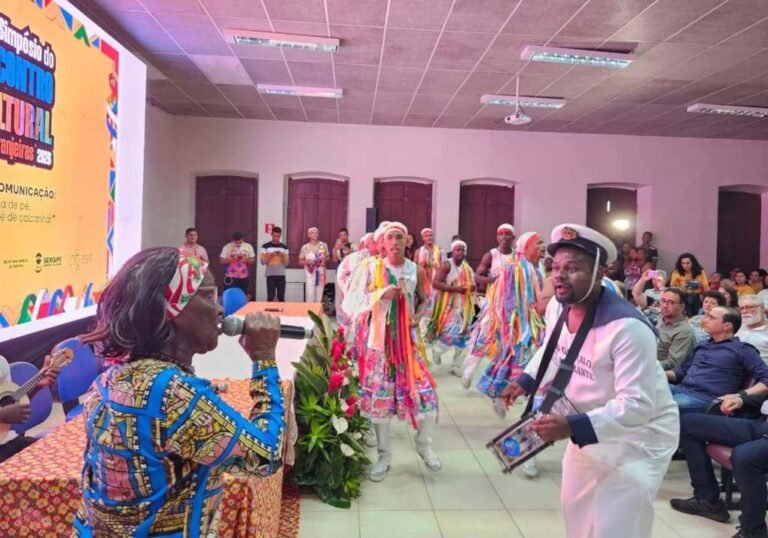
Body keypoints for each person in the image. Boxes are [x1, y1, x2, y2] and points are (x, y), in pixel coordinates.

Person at [73, 249, 284, 536]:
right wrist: (264, 360)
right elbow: (266, 455)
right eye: (208, 296)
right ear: (174, 309)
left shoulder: (108, 381)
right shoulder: (173, 394)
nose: (221, 309)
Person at [502, 223, 679, 538]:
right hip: (589, 423)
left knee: (618, 523)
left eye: (572, 268)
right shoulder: (560, 304)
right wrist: (526, 381)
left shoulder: (628, 328)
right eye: (555, 267)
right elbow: (555, 348)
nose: (559, 275)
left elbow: (637, 405)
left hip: (639, 436)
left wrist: (570, 427)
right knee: (577, 507)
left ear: (600, 273)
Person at [342, 222, 441, 482]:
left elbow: (424, 300)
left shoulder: (415, 270)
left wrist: (417, 317)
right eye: (390, 238)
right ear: (382, 243)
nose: (395, 242)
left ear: (407, 241)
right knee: (380, 404)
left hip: (408, 345)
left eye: (399, 237)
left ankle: (423, 443)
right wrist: (382, 294)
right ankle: (384, 456)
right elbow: (350, 302)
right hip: (379, 346)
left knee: (427, 396)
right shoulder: (371, 268)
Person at [670, 394, 768, 537]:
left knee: (744, 457)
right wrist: (741, 399)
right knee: (688, 424)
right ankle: (707, 500)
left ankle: (753, 531)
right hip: (761, 424)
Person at [477, 231, 546, 419]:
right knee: (517, 360)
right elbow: (506, 302)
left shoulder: (538, 268)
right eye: (539, 243)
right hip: (517, 328)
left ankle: (505, 394)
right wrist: (514, 327)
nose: (544, 246)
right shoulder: (514, 269)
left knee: (523, 362)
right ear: (526, 248)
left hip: (533, 324)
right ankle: (505, 394)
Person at [666, 306, 768, 415]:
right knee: (647, 388)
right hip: (680, 389)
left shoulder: (743, 349)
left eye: (711, 317)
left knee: (659, 407)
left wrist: (740, 395)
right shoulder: (702, 345)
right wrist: (657, 372)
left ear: (727, 326)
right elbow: (682, 371)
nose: (705, 320)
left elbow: (766, 378)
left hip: (705, 399)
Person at [460, 223, 516, 388]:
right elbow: (477, 277)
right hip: (493, 306)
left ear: (513, 238)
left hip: (512, 309)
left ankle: (505, 381)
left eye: (508, 234)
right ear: (497, 237)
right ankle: (468, 373)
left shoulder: (517, 257)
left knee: (509, 344)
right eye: (501, 234)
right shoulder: (491, 255)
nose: (504, 237)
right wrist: (493, 280)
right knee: (482, 339)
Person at [424, 240, 476, 376]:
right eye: (458, 250)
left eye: (463, 250)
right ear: (452, 251)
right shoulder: (447, 265)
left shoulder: (467, 267)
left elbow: (472, 282)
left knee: (464, 336)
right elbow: (435, 283)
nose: (460, 252)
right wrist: (455, 289)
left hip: (464, 305)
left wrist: (472, 287)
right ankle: (437, 350)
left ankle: (456, 365)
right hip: (449, 305)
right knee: (449, 333)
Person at [0, 354, 60, 462]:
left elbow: (8, 402)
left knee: (57, 455)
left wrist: (37, 385)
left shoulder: (1, 363)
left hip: (7, 441)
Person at [657, 288, 696, 371]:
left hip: (658, 373)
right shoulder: (661, 321)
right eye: (663, 301)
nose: (665, 305)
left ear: (682, 307)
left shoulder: (684, 331)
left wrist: (645, 366)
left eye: (671, 302)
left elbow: (673, 363)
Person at [415, 227, 445, 318]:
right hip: (423, 283)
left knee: (437, 308)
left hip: (436, 283)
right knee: (424, 308)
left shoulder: (440, 251)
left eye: (430, 235)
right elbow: (414, 267)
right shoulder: (418, 251)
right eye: (426, 236)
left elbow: (445, 267)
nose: (429, 237)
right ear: (423, 238)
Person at [670, 253, 709, 317]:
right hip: (683, 296)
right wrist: (682, 287)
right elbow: (673, 288)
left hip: (697, 296)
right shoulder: (676, 272)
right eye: (683, 263)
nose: (685, 265)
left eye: (688, 263)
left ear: (692, 263)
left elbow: (706, 286)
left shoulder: (700, 272)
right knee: (688, 316)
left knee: (698, 315)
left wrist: (706, 297)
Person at [299, 227, 329, 303]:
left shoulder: (323, 245)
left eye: (316, 233)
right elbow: (300, 261)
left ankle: (317, 314)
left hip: (321, 273)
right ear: (308, 235)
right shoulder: (305, 247)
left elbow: (328, 258)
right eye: (312, 233)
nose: (315, 234)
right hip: (310, 274)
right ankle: (309, 313)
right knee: (310, 295)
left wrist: (324, 260)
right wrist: (308, 262)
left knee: (319, 296)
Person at [260, 226, 289, 302]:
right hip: (270, 275)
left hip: (281, 275)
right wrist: (271, 255)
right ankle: (269, 313)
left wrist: (282, 256)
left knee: (281, 297)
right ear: (271, 234)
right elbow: (262, 262)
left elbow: (286, 263)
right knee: (270, 296)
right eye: (275, 236)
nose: (276, 238)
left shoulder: (284, 247)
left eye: (278, 236)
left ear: (280, 235)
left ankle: (282, 313)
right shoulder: (265, 246)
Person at [737, 295, 768, 362]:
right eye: (742, 308)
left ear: (762, 308)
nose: (744, 311)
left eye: (749, 307)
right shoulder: (738, 326)